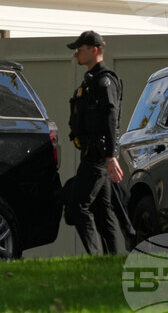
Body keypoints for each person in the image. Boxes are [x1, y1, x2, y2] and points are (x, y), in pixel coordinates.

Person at [65, 30, 125, 254]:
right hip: (95, 152)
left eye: (79, 50)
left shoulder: (104, 81)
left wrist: (110, 155)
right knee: (102, 210)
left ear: (95, 50)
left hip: (98, 154)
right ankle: (112, 261)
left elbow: (111, 116)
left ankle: (96, 258)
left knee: (78, 206)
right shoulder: (92, 80)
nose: (76, 55)